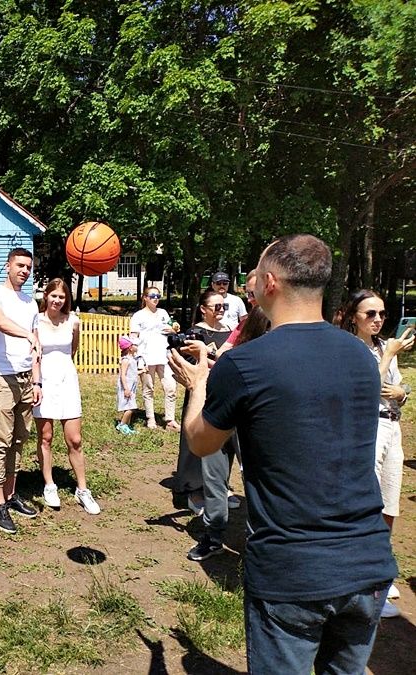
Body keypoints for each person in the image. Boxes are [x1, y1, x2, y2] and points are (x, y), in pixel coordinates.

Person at [170, 234, 397, 675]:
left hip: (293, 571)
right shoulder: (361, 356)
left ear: (270, 283)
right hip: (367, 564)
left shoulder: (247, 363)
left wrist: (198, 385)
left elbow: (201, 442)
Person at [338, 289, 414, 619]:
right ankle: (363, 580)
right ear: (352, 316)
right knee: (367, 501)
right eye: (370, 314)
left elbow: (396, 391)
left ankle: (380, 568)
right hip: (367, 428)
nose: (378, 319)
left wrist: (402, 392)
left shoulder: (385, 346)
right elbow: (364, 390)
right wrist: (388, 358)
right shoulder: (348, 349)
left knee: (389, 501)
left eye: (382, 313)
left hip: (392, 426)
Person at [0, 248, 43, 534]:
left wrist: (38, 381)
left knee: (19, 440)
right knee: (0, 441)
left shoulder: (31, 303)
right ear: (8, 266)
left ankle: (10, 493)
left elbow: (36, 347)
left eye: (29, 267)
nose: (25, 270)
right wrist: (27, 333)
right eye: (20, 265)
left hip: (26, 378)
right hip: (1, 376)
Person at [32, 279, 100, 515]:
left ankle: (82, 489)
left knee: (75, 439)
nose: (57, 300)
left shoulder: (73, 321)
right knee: (46, 436)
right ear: (46, 296)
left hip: (68, 381)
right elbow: (35, 355)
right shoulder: (36, 322)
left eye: (62, 297)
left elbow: (73, 350)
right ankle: (49, 484)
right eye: (54, 296)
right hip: (44, 382)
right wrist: (36, 383)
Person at [172, 289, 233, 517]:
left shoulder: (230, 332)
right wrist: (210, 357)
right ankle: (193, 489)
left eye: (223, 306)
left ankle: (219, 486)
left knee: (224, 443)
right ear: (203, 309)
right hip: (201, 393)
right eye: (216, 306)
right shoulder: (195, 333)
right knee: (195, 440)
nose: (221, 310)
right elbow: (189, 363)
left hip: (225, 394)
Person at [129, 286, 179, 431]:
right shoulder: (138, 316)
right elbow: (134, 338)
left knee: (171, 387)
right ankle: (150, 418)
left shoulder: (163, 313)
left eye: (158, 295)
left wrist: (173, 330)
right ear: (145, 298)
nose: (155, 298)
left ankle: (170, 419)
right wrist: (138, 358)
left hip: (163, 355)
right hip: (146, 356)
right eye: (152, 296)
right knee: (148, 388)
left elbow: (170, 329)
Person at [116, 335, 142, 436]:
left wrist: (142, 371)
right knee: (130, 407)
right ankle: (122, 425)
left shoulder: (132, 359)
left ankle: (126, 425)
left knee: (129, 406)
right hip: (126, 386)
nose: (137, 346)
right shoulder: (126, 360)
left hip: (131, 387)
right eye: (135, 345)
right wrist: (126, 388)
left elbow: (133, 373)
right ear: (130, 348)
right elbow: (123, 375)